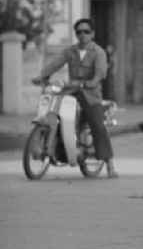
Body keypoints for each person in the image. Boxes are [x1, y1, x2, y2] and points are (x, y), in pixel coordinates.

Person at [32, 17, 117, 178]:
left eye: (86, 31)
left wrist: (92, 82)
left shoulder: (98, 52)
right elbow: (56, 63)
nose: (82, 35)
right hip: (71, 90)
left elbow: (100, 73)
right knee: (52, 108)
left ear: (92, 33)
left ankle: (110, 165)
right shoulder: (70, 51)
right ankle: (55, 145)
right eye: (79, 32)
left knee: (98, 125)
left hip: (90, 94)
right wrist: (42, 76)